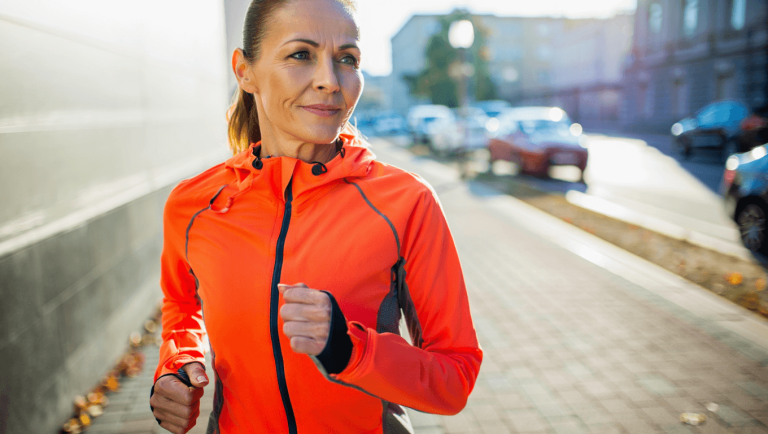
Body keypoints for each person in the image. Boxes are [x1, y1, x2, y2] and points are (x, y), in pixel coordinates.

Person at [148, 0, 482, 432]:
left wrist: (349, 351)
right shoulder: (193, 205)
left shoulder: (406, 203)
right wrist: (178, 363)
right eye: (301, 55)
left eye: (347, 59)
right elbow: (181, 305)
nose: (330, 81)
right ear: (244, 71)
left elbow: (454, 380)